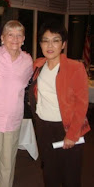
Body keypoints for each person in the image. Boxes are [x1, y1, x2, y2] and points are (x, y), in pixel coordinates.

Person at [29, 20, 91, 187]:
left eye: (55, 40)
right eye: (45, 40)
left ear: (63, 44)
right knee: (49, 171)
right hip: (43, 127)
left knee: (70, 175)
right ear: (40, 44)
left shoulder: (75, 68)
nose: (50, 45)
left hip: (67, 127)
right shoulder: (38, 65)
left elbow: (82, 104)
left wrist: (72, 134)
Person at [0, 20, 33, 187]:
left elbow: (23, 87)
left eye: (19, 35)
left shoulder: (27, 61)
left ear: (24, 39)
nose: (15, 39)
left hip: (13, 120)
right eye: (10, 34)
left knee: (8, 165)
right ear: (2, 38)